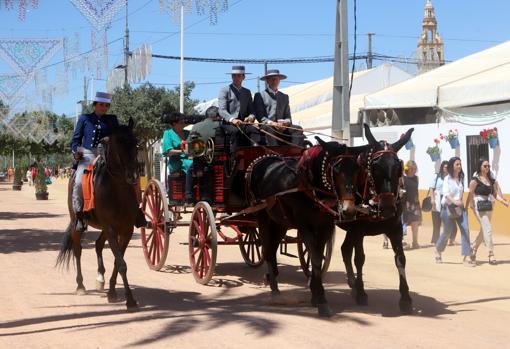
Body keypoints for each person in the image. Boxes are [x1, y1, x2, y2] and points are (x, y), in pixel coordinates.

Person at [71, 91, 146, 231]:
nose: (104, 107)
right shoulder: (84, 118)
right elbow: (75, 140)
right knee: (79, 181)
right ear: (95, 105)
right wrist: (76, 153)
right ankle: (79, 215)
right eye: (101, 105)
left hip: (106, 153)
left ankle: (136, 211)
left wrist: (111, 139)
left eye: (106, 105)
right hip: (87, 154)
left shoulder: (112, 119)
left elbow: (117, 136)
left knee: (131, 177)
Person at [434, 157, 475, 267]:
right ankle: (438, 250)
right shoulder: (447, 178)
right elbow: (446, 194)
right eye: (457, 164)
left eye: (460, 164)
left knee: (465, 229)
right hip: (448, 208)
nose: (459, 166)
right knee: (447, 232)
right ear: (452, 166)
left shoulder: (461, 178)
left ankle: (466, 256)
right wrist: (455, 202)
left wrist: (461, 203)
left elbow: (461, 193)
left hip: (460, 209)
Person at [466, 158, 508, 265]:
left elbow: (494, 194)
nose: (487, 168)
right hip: (478, 205)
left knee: (484, 229)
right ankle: (491, 254)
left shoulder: (490, 180)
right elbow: (470, 193)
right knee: (488, 228)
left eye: (488, 166)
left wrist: (502, 201)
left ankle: (473, 249)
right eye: (485, 166)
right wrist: (471, 205)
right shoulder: (475, 180)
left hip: (489, 205)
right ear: (480, 167)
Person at [253, 69, 304, 146]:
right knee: (269, 128)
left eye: (276, 79)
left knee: (298, 129)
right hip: (267, 126)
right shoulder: (259, 95)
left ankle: (294, 151)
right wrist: (272, 123)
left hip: (282, 127)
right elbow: (260, 116)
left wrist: (285, 123)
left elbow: (288, 116)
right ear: (267, 81)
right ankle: (275, 152)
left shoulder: (284, 97)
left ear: (279, 80)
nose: (274, 81)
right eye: (272, 79)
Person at [218, 65, 261, 153]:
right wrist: (232, 119)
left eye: (239, 75)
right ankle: (235, 158)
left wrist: (251, 117)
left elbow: (252, 111)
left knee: (255, 130)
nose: (236, 77)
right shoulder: (225, 90)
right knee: (235, 131)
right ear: (231, 77)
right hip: (228, 123)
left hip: (243, 123)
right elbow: (222, 110)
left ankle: (254, 153)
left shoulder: (247, 92)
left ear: (244, 77)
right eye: (234, 75)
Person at [162, 112, 194, 204]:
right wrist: (182, 152)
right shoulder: (168, 133)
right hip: (176, 162)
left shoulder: (188, 133)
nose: (184, 124)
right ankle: (189, 195)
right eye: (181, 122)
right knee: (191, 166)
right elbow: (167, 151)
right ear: (174, 123)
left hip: (189, 159)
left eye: (184, 122)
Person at [430, 161, 457, 245]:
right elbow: (431, 188)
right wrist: (432, 199)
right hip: (437, 199)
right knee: (436, 222)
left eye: (447, 167)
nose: (446, 169)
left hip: (447, 200)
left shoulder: (451, 177)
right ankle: (435, 240)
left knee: (451, 220)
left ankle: (451, 239)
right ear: (442, 167)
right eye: (445, 167)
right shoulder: (437, 176)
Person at [402, 160, 421, 249]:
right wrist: (405, 202)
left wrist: (417, 203)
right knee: (403, 222)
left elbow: (416, 191)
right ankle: (402, 241)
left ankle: (415, 242)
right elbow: (402, 191)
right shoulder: (403, 178)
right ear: (407, 169)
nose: (413, 170)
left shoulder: (416, 178)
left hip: (415, 203)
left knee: (415, 222)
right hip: (405, 203)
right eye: (411, 169)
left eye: (414, 169)